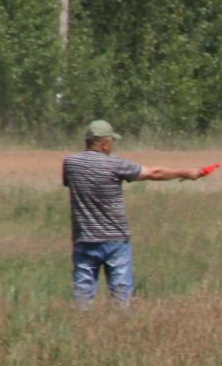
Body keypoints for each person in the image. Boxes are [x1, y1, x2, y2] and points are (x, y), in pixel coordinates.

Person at [61, 119, 211, 308]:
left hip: (83, 239)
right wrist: (187, 173)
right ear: (105, 143)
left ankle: (83, 330)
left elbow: (71, 183)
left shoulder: (70, 163)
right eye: (111, 141)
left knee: (83, 296)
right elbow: (154, 173)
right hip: (115, 240)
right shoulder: (115, 164)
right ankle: (122, 328)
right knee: (121, 297)